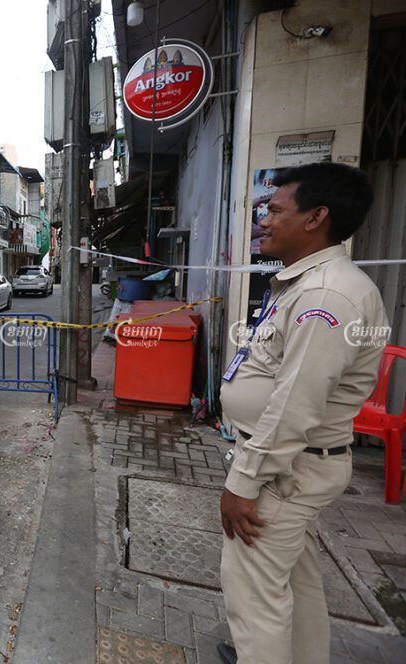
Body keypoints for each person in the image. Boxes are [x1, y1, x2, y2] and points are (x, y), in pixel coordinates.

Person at [217, 163, 388, 664]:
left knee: (253, 594)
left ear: (316, 217)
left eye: (273, 210)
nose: (263, 220)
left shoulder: (325, 296)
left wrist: (243, 483)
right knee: (294, 579)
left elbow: (296, 405)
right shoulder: (310, 284)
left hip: (285, 472)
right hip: (295, 466)